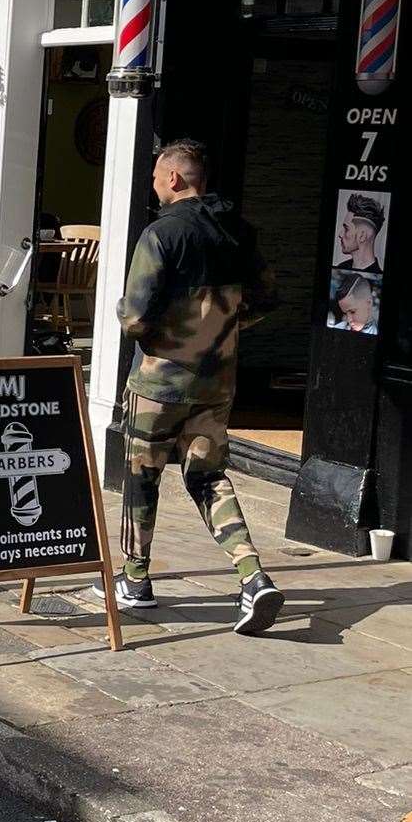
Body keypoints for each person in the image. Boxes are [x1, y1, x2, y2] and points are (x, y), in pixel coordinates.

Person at [100, 138, 285, 635]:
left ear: (176, 179)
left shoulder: (162, 234)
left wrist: (130, 315)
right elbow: (267, 297)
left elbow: (136, 317)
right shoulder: (239, 232)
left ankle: (135, 581)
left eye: (159, 177)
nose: (155, 185)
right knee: (208, 477)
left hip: (159, 384)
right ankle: (253, 577)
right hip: (216, 382)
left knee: (142, 476)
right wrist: (221, 327)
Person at [335, 193, 385, 273]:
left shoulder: (378, 278)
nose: (340, 234)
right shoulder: (340, 268)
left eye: (346, 229)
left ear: (362, 236)